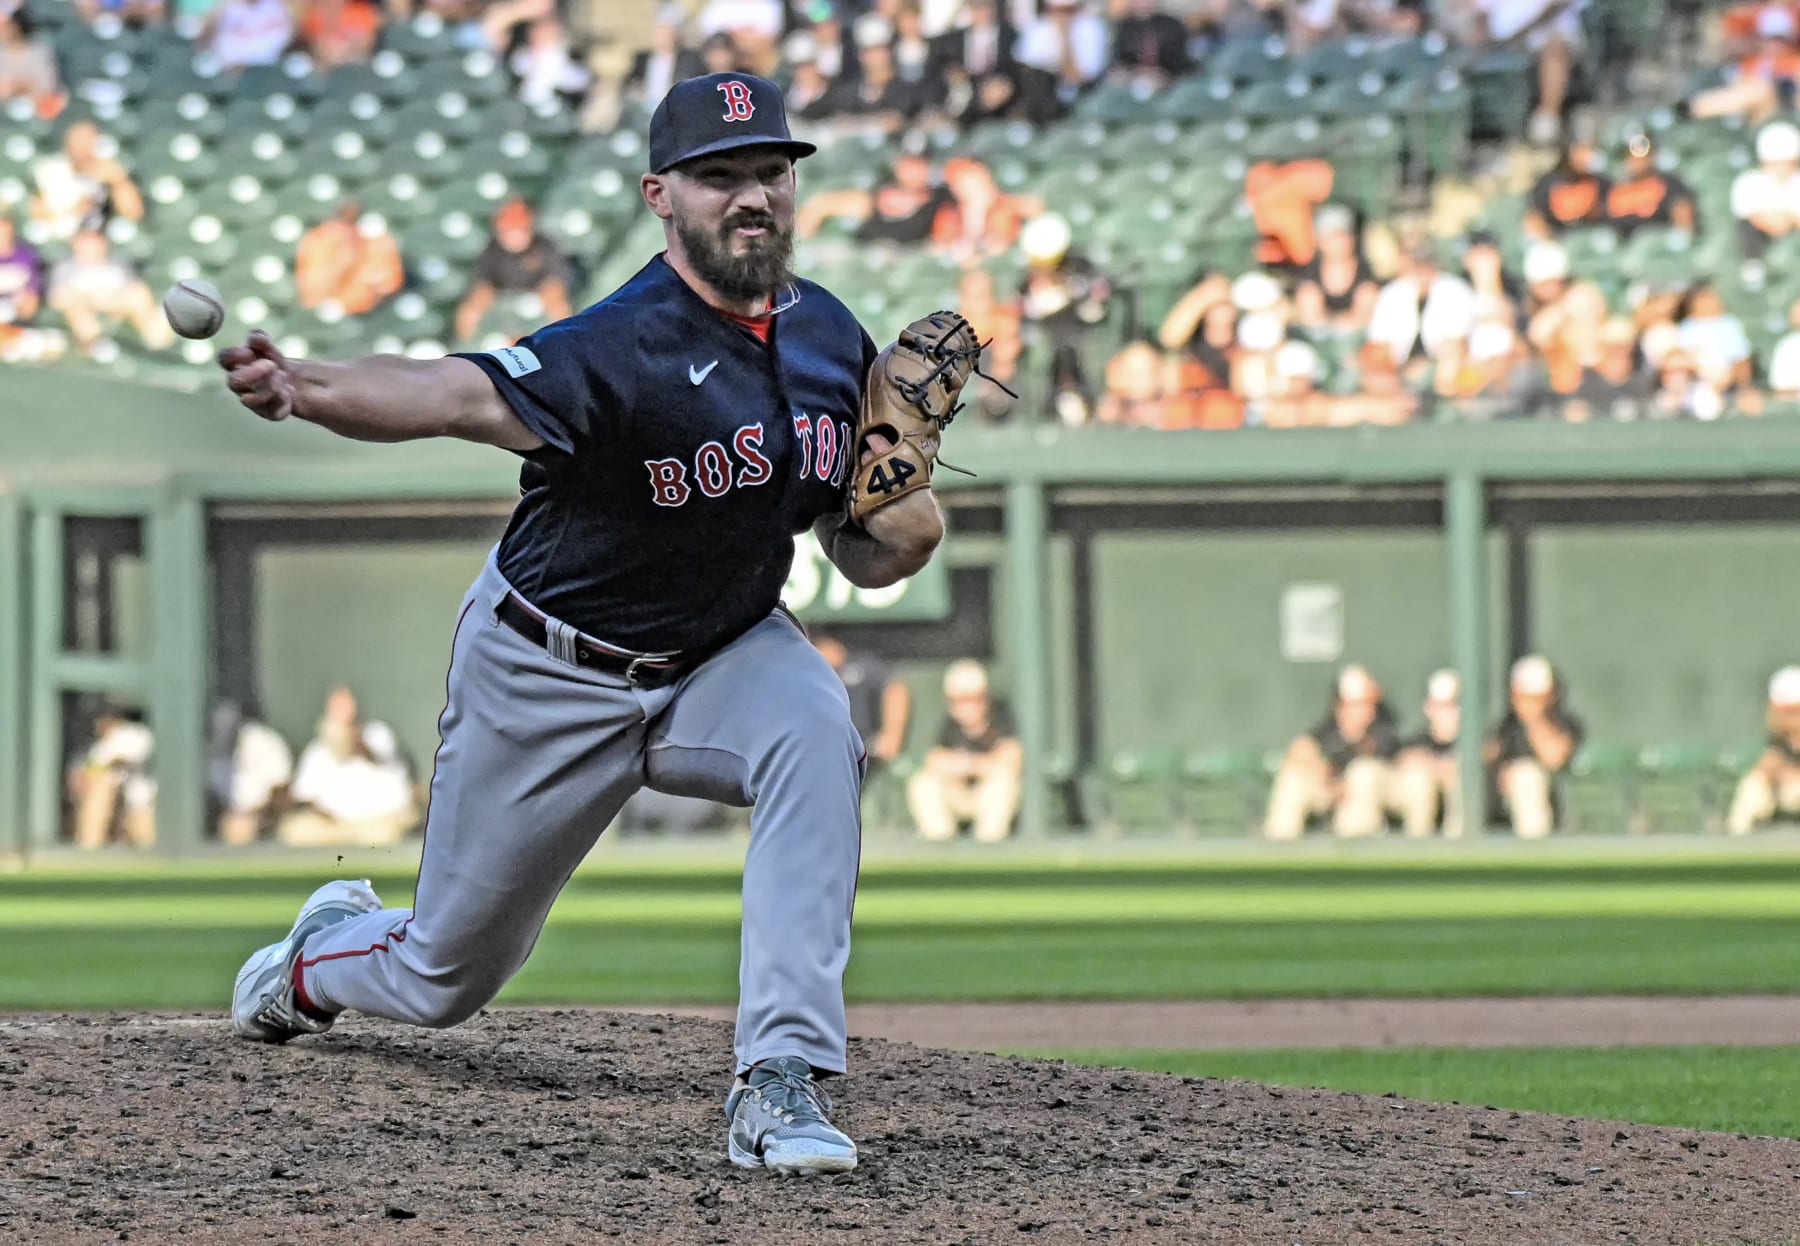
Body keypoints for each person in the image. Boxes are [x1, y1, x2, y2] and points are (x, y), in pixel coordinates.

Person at [220, 72, 955, 1179]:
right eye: (720, 176)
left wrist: (905, 522)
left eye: (770, 170)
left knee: (816, 730)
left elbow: (858, 549)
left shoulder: (827, 340)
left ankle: (781, 1078)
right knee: (443, 975)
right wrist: (307, 386)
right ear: (662, 195)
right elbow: (451, 392)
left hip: (724, 648)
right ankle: (319, 955)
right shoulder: (616, 345)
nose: (752, 196)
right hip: (551, 667)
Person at [1263, 665, 1402, 840]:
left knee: (1363, 776)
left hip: (1367, 800)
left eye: (1369, 703)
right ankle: (1279, 853)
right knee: (1293, 780)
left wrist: (1341, 786)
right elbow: (1301, 748)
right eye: (1357, 704)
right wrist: (1316, 766)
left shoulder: (1383, 731)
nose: (1365, 710)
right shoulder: (1329, 731)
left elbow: (1383, 758)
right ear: (1340, 706)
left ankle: (1356, 855)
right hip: (1330, 791)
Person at [275, 687, 418, 847]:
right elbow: (303, 797)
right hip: (333, 826)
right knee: (296, 829)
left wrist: (356, 742)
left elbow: (400, 787)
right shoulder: (318, 751)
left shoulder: (378, 736)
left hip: (375, 822)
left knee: (386, 833)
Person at [905, 660, 1021, 843]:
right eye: (958, 700)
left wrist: (971, 764)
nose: (966, 707)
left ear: (984, 698)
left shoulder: (1001, 717)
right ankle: (939, 841)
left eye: (972, 699)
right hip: (958, 793)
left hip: (986, 796)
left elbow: (1011, 761)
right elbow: (933, 760)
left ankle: (989, 844)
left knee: (1003, 783)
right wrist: (959, 766)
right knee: (923, 782)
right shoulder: (950, 725)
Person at [1484, 653, 1583, 839]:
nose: (1529, 703)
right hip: (1498, 797)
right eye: (1524, 697)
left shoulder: (1563, 723)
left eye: (1538, 698)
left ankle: (1534, 852)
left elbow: (1554, 757)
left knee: (1526, 777)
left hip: (1547, 799)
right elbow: (1489, 755)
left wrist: (1534, 720)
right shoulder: (1506, 726)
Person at [452, 198, 574, 344]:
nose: (512, 236)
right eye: (507, 231)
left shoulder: (545, 246)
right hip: (503, 301)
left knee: (558, 306)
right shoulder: (492, 249)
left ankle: (564, 342)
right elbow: (483, 284)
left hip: (538, 299)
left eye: (518, 229)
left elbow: (556, 283)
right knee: (470, 311)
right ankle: (468, 348)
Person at [48, 228, 174, 353]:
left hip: (117, 310)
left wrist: (103, 300)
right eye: (86, 242)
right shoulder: (64, 268)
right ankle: (93, 347)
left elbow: (134, 292)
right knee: (76, 304)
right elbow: (58, 299)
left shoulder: (118, 265)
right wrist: (92, 298)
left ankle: (156, 336)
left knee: (138, 294)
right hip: (83, 312)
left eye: (96, 241)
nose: (91, 247)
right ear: (75, 243)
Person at [813, 632, 910, 775]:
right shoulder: (806, 674)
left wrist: (892, 734)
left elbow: (895, 689)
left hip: (865, 745)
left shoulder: (860, 666)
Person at [67, 705, 156, 850]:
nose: (99, 725)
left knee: (146, 840)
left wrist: (104, 767)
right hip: (116, 800)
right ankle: (90, 846)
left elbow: (123, 760)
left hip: (140, 797)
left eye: (103, 720)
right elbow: (93, 769)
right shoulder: (101, 744)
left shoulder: (135, 734)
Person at [208, 700, 296, 846]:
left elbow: (282, 790)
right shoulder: (213, 752)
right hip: (232, 820)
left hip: (269, 819)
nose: (225, 730)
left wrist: (258, 815)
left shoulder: (262, 741)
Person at [295, 200, 404, 316]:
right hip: (326, 308)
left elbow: (389, 283)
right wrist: (343, 262)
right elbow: (312, 288)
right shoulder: (318, 241)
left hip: (365, 311)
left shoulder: (377, 242)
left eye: (352, 221)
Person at [1727, 665, 1800, 835]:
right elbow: (1772, 763)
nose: (1790, 719)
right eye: (1786, 712)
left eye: (1794, 712)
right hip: (1783, 799)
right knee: (1755, 785)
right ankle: (1739, 847)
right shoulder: (1780, 739)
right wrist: (1770, 772)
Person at [1392, 669, 1462, 838]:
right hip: (1418, 804)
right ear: (1429, 707)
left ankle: (1461, 851)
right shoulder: (1418, 740)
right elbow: (1404, 760)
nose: (1446, 713)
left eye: (1452, 705)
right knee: (1418, 780)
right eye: (1440, 706)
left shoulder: (1477, 740)